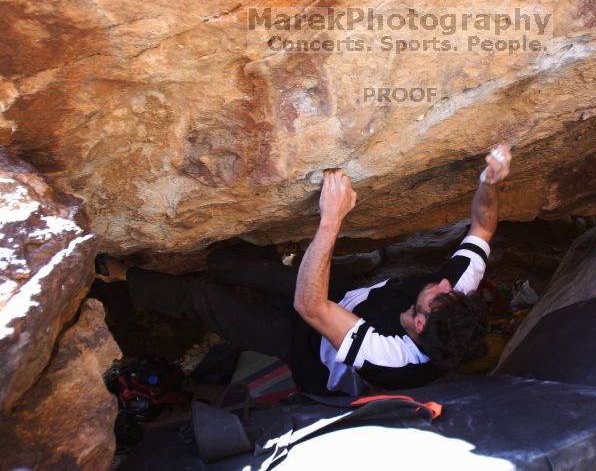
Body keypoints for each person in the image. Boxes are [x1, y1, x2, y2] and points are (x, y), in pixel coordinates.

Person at [99, 144, 512, 395]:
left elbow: (309, 306)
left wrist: (330, 220)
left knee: (205, 299)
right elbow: (483, 226)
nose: (441, 282)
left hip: (310, 344)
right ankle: (275, 257)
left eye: (437, 294)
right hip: (343, 297)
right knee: (225, 262)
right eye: (449, 288)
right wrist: (489, 181)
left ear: (418, 326)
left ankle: (123, 276)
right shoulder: (454, 293)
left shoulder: (392, 359)